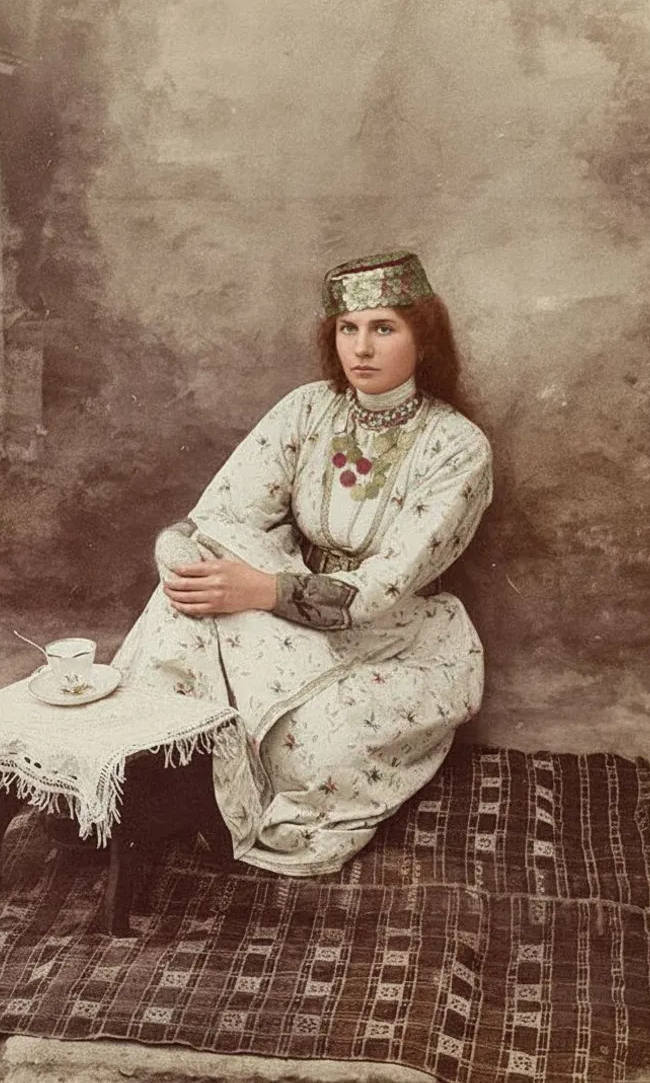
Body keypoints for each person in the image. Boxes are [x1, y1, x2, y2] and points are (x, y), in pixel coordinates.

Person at [112, 250, 492, 876]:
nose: (361, 348)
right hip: (277, 608)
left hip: (392, 633)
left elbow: (381, 587)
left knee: (318, 745)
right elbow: (220, 513)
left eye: (384, 328)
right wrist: (181, 561)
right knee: (201, 566)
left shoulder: (457, 447)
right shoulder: (310, 408)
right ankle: (142, 782)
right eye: (348, 329)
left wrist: (256, 591)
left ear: (424, 340)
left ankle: (195, 792)